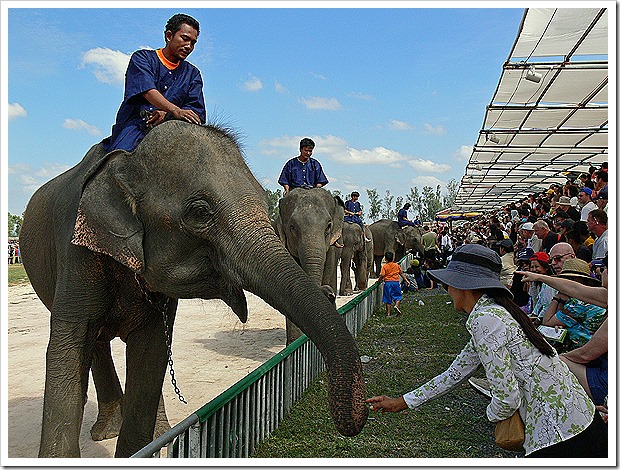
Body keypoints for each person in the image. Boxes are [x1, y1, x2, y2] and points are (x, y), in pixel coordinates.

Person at [366, 244, 604, 458]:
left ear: (464, 286)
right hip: (579, 421)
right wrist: (404, 401)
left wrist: (494, 415)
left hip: (560, 436)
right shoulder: (495, 312)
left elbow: (507, 399)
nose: (446, 288)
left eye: (448, 283)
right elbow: (456, 372)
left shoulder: (486, 319)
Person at [103, 14, 206, 152]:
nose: (189, 46)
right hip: (136, 126)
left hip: (175, 130)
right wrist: (174, 110)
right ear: (169, 36)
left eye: (193, 43)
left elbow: (195, 111)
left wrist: (168, 115)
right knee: (119, 160)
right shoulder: (142, 58)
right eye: (185, 39)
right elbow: (147, 90)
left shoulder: (193, 74)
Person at [518, 264, 608, 407]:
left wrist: (556, 359)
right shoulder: (607, 298)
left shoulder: (579, 304)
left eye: (604, 269)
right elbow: (575, 289)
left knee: (547, 364)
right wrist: (540, 277)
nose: (600, 272)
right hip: (600, 365)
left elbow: (585, 354)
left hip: (606, 381)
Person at [540, 258, 606, 352]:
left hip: (584, 353)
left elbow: (547, 322)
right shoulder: (591, 298)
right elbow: (556, 321)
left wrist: (557, 298)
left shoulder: (578, 303)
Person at [379, 251, 409, 316]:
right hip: (396, 283)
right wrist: (406, 280)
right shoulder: (396, 265)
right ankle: (396, 305)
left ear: (385, 259)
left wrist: (378, 281)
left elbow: (382, 275)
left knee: (388, 298)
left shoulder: (384, 266)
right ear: (393, 258)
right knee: (398, 296)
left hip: (387, 283)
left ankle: (388, 313)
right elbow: (401, 273)